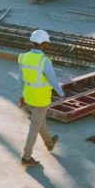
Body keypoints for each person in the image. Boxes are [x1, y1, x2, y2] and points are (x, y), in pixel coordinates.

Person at [17, 29, 64, 167]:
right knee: (34, 126)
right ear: (43, 44)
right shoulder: (44, 60)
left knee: (38, 121)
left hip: (29, 97)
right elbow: (53, 80)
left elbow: (20, 79)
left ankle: (49, 143)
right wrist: (61, 93)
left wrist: (21, 95)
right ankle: (26, 157)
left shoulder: (23, 57)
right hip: (41, 99)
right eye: (46, 44)